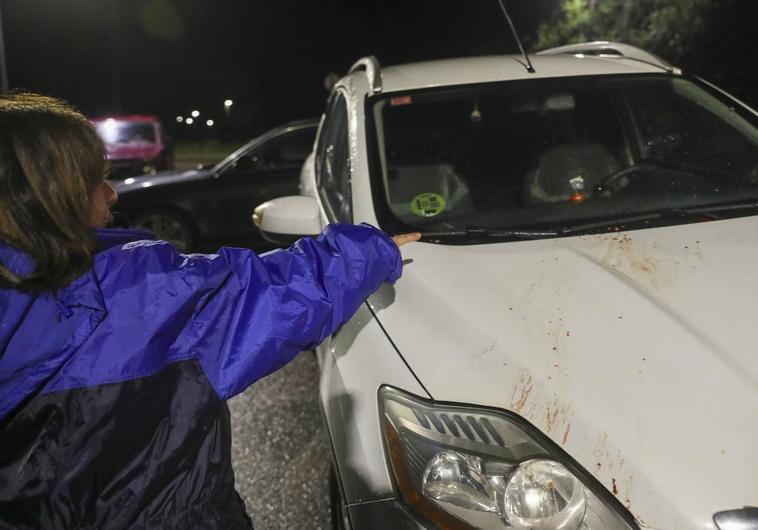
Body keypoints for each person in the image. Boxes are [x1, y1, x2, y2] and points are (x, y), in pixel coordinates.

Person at [0, 93, 420, 529]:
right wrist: (371, 249)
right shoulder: (132, 294)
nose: (111, 194)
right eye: (93, 180)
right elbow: (268, 293)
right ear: (45, 197)